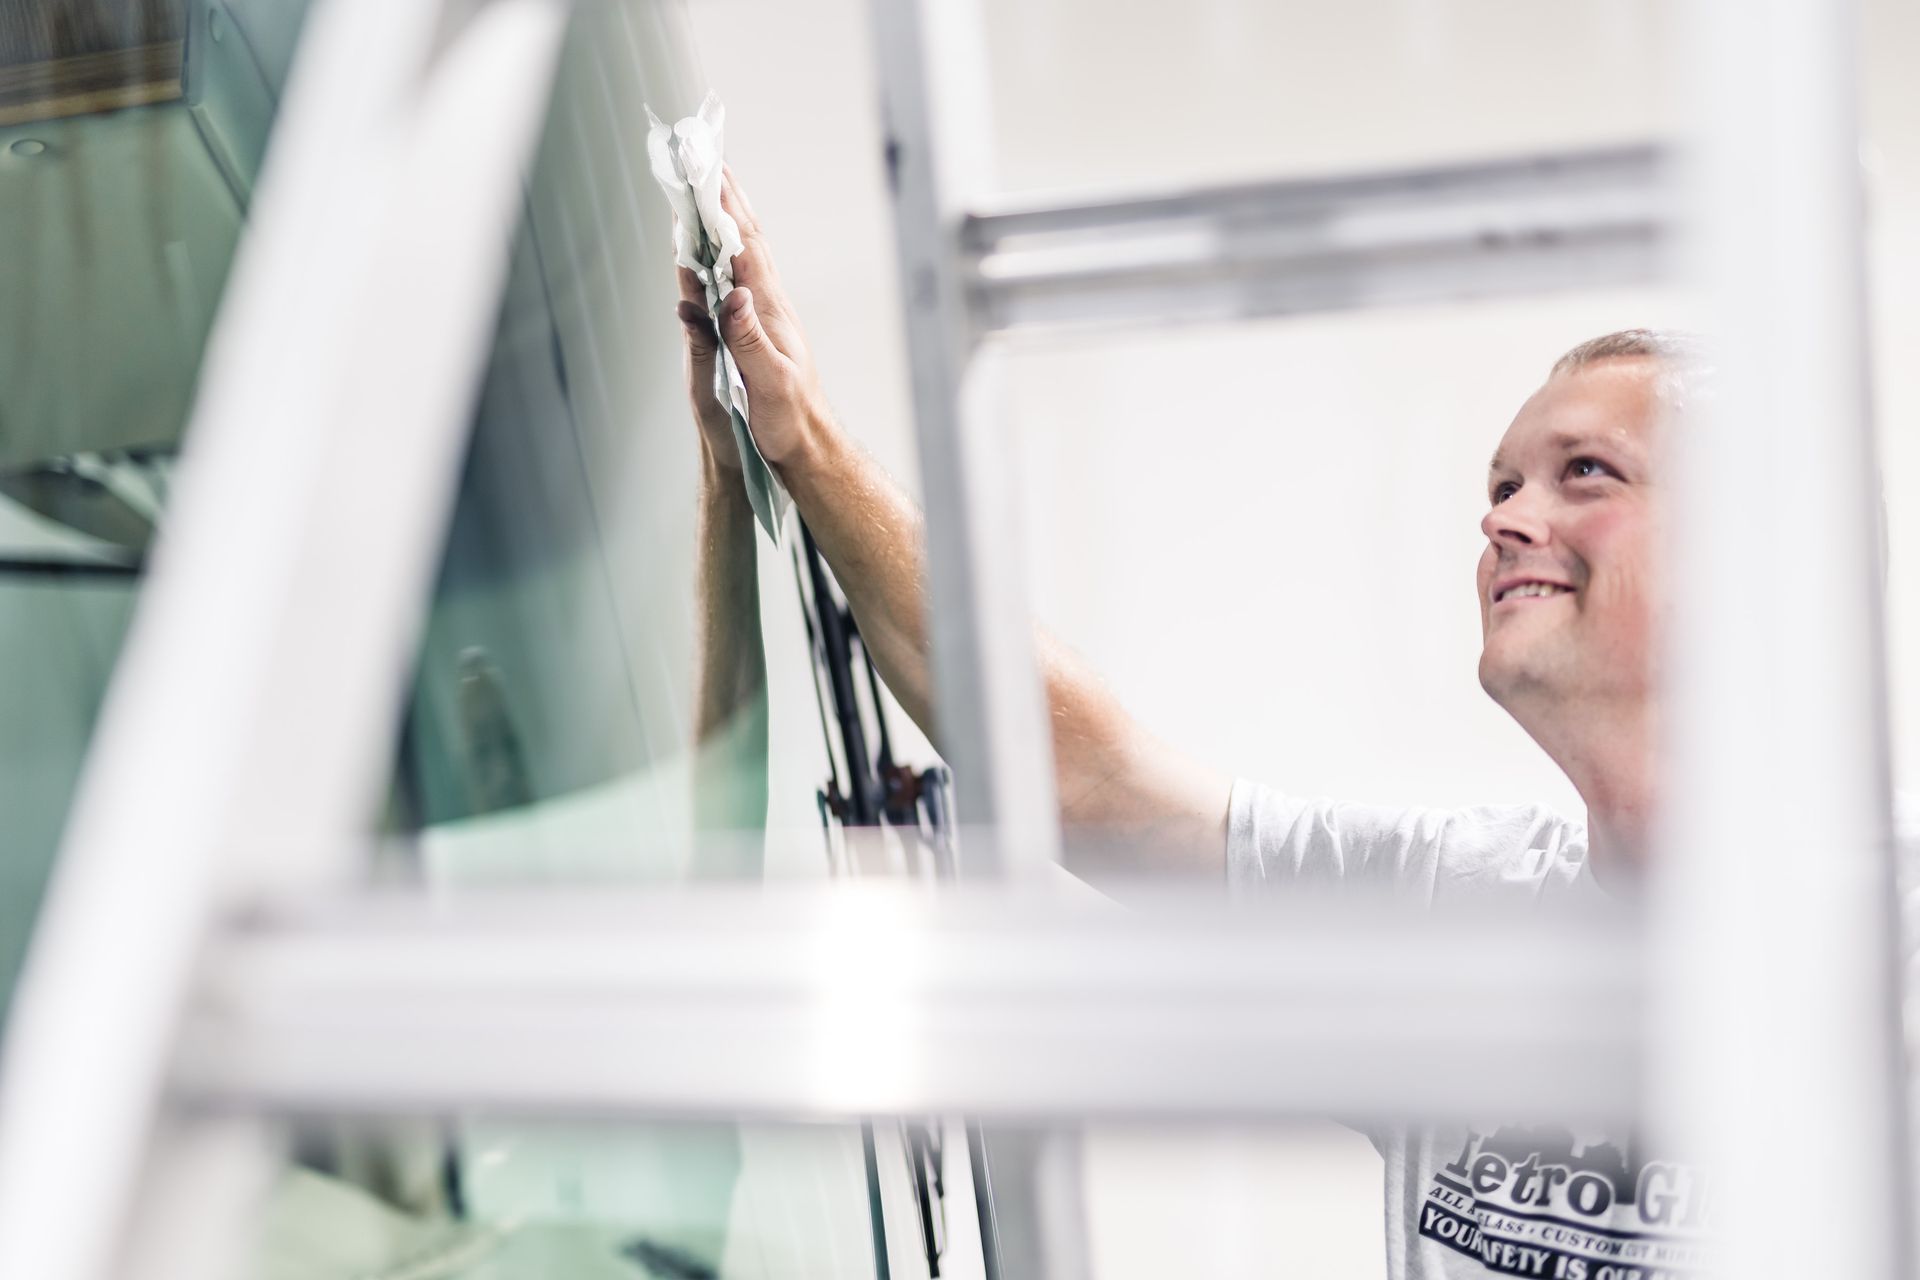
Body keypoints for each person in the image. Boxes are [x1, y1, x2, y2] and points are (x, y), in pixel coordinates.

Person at [679, 170, 1700, 1279]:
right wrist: (803, 441)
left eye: (1583, 472)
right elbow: (1085, 781)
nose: (1506, 518)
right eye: (1500, 484)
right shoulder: (1456, 905)